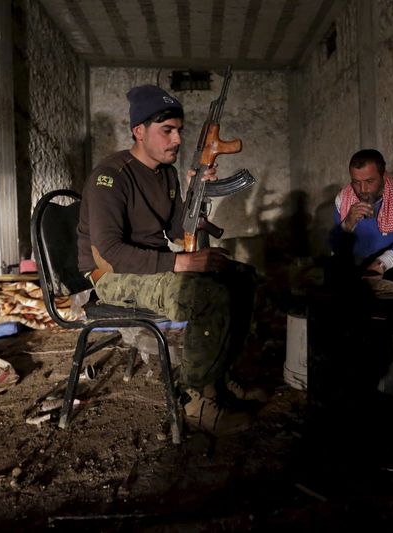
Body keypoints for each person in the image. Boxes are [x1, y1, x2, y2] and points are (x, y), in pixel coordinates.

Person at [77, 85, 260, 435]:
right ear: (139, 131)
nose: (177, 139)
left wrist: (196, 196)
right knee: (207, 294)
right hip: (111, 274)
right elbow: (111, 253)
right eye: (167, 131)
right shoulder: (111, 176)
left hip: (150, 264)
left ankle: (217, 378)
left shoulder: (167, 173)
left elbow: (178, 232)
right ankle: (196, 399)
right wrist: (182, 264)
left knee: (241, 277)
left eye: (179, 130)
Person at [329, 149, 393, 279]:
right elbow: (335, 247)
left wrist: (383, 263)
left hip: (391, 266)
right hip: (356, 268)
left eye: (369, 181)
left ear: (383, 176)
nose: (362, 190)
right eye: (356, 182)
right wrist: (347, 224)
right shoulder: (344, 198)